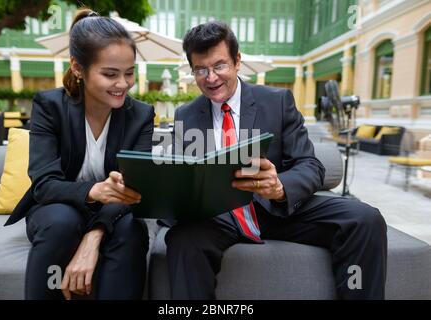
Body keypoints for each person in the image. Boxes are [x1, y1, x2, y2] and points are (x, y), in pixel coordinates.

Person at [166, 21, 387, 300]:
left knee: (364, 219)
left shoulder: (277, 101)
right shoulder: (185, 116)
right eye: (201, 69)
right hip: (218, 218)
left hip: (277, 211)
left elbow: (311, 165)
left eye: (219, 66)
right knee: (183, 239)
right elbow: (177, 177)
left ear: (237, 61)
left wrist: (280, 186)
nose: (211, 78)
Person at [5, 9, 154, 300]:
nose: (122, 83)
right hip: (55, 208)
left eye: (129, 73)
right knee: (63, 222)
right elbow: (45, 184)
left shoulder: (141, 115)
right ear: (78, 67)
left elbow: (135, 189)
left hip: (114, 213)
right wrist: (96, 190)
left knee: (131, 231)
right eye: (110, 74)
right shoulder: (50, 106)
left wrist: (94, 236)